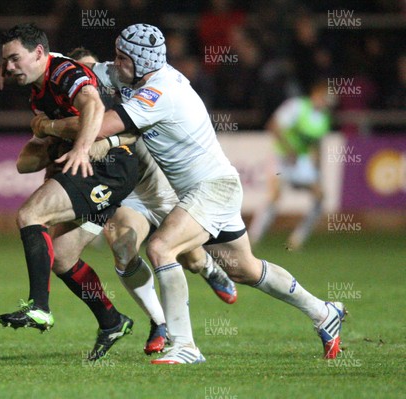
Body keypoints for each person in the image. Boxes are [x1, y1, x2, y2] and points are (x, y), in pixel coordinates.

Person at [38, 23, 346, 364]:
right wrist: (35, 59)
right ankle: (323, 312)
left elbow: (100, 126)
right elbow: (86, 68)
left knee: (160, 247)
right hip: (210, 188)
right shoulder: (135, 74)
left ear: (141, 62)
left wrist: (49, 127)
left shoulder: (158, 94)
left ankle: (184, 345)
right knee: (244, 269)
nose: (116, 62)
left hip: (212, 189)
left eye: (122, 57)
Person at [29, 47, 238, 358]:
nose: (83, 82)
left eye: (88, 73)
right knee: (122, 246)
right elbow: (25, 160)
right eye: (76, 75)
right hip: (119, 189)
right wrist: (47, 139)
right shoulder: (66, 106)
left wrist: (52, 128)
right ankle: (159, 321)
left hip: (158, 182)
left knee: (187, 257)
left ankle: (208, 268)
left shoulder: (122, 93)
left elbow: (129, 130)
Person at [0, 24, 139, 360]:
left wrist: (81, 148)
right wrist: (3, 69)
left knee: (31, 215)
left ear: (40, 54)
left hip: (108, 165)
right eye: (6, 62)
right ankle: (112, 321)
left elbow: (94, 107)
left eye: (15, 59)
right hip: (97, 169)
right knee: (63, 258)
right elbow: (24, 164)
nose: (11, 67)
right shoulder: (38, 87)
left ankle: (39, 307)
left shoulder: (63, 72)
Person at [249, 80, 334, 249]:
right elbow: (273, 126)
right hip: (281, 156)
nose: (328, 103)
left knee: (320, 195)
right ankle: (253, 237)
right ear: (316, 94)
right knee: (274, 196)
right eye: (326, 98)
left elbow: (315, 144)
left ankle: (297, 239)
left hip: (300, 160)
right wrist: (289, 150)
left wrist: (316, 168)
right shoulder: (297, 106)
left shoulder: (324, 118)